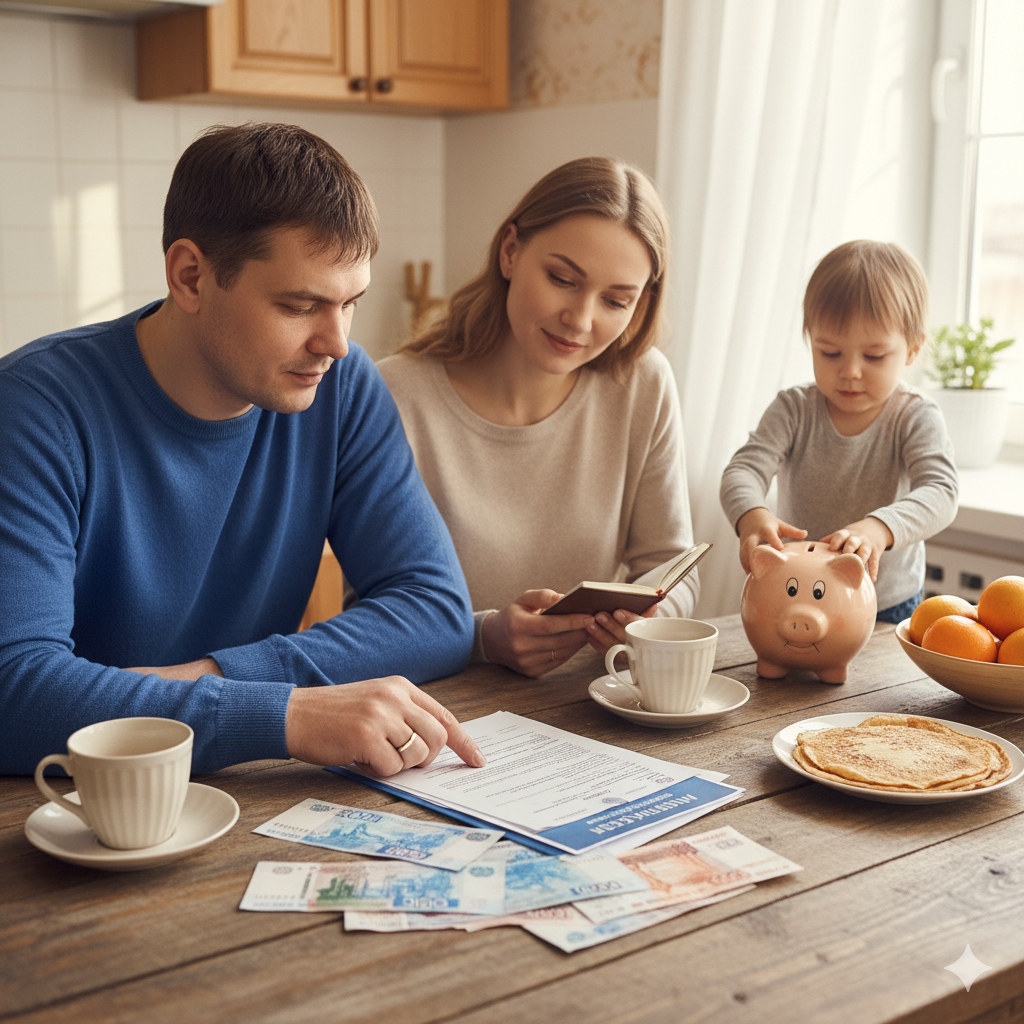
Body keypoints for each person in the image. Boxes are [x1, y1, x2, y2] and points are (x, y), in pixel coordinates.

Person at [0, 123, 485, 777]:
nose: (335, 342)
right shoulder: (35, 409)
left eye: (350, 304)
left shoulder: (341, 386)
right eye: (300, 305)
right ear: (192, 276)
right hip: (62, 808)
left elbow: (434, 610)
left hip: (244, 787)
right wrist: (284, 713)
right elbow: (16, 693)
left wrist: (212, 680)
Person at [378, 157, 698, 677]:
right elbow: (374, 605)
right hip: (437, 705)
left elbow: (672, 566)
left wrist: (648, 619)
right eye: (562, 279)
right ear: (510, 252)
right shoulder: (396, 392)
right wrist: (483, 637)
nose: (581, 319)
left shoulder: (642, 384)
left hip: (587, 705)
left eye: (616, 300)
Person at [720, 240, 958, 623]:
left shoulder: (915, 416)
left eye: (874, 356)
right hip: (794, 595)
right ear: (810, 340)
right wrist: (751, 514)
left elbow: (942, 492)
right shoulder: (793, 408)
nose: (850, 371)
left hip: (888, 603)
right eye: (829, 352)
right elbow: (742, 470)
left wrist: (879, 528)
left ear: (912, 350)